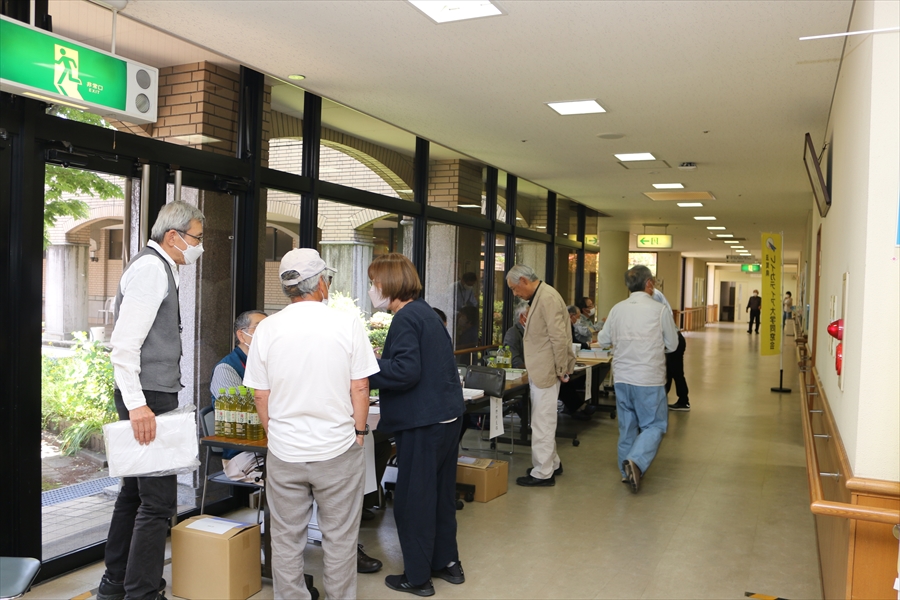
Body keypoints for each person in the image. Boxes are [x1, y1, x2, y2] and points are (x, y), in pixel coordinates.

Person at [243, 248, 379, 600]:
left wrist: (276, 434)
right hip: (337, 449)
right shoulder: (346, 324)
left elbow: (261, 395)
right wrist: (359, 433)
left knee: (286, 539)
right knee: (340, 538)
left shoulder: (267, 328)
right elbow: (360, 386)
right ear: (320, 283)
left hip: (285, 453)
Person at [98, 201, 205, 600]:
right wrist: (138, 405)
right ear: (173, 236)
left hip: (151, 395)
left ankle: (115, 584)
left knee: (134, 493)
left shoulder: (162, 267)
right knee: (158, 503)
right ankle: (141, 593)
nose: (199, 246)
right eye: (196, 238)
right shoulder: (150, 270)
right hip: (147, 398)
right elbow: (124, 347)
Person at [366, 254, 467, 597]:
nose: (373, 289)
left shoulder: (405, 318)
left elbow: (406, 371)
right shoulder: (426, 313)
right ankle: (447, 562)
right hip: (447, 417)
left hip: (424, 422)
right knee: (440, 495)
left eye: (374, 282)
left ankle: (418, 577)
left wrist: (368, 366)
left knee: (414, 500)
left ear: (389, 284)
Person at [598, 266, 679, 494]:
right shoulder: (659, 310)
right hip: (649, 378)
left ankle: (626, 473)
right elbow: (673, 344)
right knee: (655, 425)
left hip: (622, 377)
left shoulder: (617, 309)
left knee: (627, 427)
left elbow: (603, 340)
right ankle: (635, 461)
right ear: (649, 283)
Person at [506, 265, 576, 487]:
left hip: (546, 369)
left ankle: (543, 472)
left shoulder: (546, 297)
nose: (515, 293)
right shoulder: (541, 296)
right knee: (543, 419)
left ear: (524, 280)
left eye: (514, 288)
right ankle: (552, 463)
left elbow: (559, 337)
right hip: (542, 368)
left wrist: (562, 368)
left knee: (542, 422)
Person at [210, 310, 267, 460]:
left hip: (269, 445)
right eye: (259, 328)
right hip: (243, 453)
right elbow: (245, 411)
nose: (266, 334)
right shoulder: (226, 368)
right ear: (241, 335)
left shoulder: (267, 365)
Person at [651, 289, 690, 412]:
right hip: (671, 339)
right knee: (668, 372)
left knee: (675, 372)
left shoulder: (654, 295)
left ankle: (683, 401)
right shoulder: (654, 295)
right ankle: (662, 400)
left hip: (674, 341)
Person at [503, 302, 528, 369]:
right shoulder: (513, 333)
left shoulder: (534, 332)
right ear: (522, 317)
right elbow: (514, 359)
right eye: (532, 314)